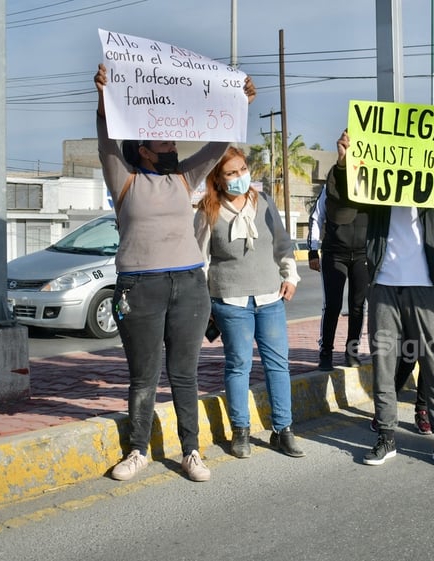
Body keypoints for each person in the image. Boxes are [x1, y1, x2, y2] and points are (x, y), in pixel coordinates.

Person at [94, 63, 257, 482]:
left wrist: (241, 103)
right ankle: (137, 451)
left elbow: (217, 145)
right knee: (143, 376)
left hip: (188, 286)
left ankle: (191, 451)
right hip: (139, 287)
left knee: (184, 374)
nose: (169, 141)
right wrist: (104, 97)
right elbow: (105, 140)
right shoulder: (124, 180)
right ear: (143, 148)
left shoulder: (185, 179)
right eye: (161, 137)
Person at [330, 129, 434, 471]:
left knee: (433, 365)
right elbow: (340, 213)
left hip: (429, 290)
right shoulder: (377, 193)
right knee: (385, 362)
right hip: (385, 287)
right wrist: (344, 164)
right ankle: (386, 435)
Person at [195, 146, 306, 459]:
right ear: (218, 179)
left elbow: (283, 244)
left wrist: (290, 276)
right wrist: (204, 304)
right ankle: (240, 431)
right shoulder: (208, 212)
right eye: (231, 173)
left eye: (242, 169)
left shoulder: (264, 201)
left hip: (270, 297)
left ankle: (283, 430)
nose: (240, 177)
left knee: (277, 365)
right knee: (239, 364)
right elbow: (200, 261)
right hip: (230, 301)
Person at [306, 168, 369, 371]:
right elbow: (316, 218)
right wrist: (313, 251)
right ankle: (326, 353)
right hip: (334, 253)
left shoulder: (372, 187)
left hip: (362, 255)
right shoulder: (331, 188)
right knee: (332, 305)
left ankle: (352, 352)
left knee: (358, 306)